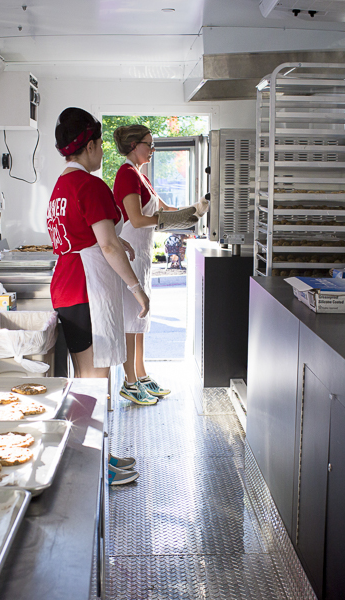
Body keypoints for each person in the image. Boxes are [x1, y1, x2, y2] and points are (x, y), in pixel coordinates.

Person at [46, 107, 149, 485]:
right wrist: (136, 289)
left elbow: (89, 234)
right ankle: (91, 461)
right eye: (99, 145)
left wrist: (116, 241)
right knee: (93, 380)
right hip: (87, 288)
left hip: (67, 286)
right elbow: (105, 246)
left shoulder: (61, 186)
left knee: (85, 376)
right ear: (88, 145)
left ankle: (96, 453)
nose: (102, 152)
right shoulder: (90, 185)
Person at [112, 124, 207, 404]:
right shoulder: (126, 175)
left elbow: (165, 210)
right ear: (133, 146)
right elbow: (137, 220)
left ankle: (141, 375)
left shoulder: (141, 177)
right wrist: (175, 220)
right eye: (148, 144)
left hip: (142, 256)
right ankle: (129, 382)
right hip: (129, 254)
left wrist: (196, 210)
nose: (152, 150)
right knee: (132, 321)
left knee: (141, 322)